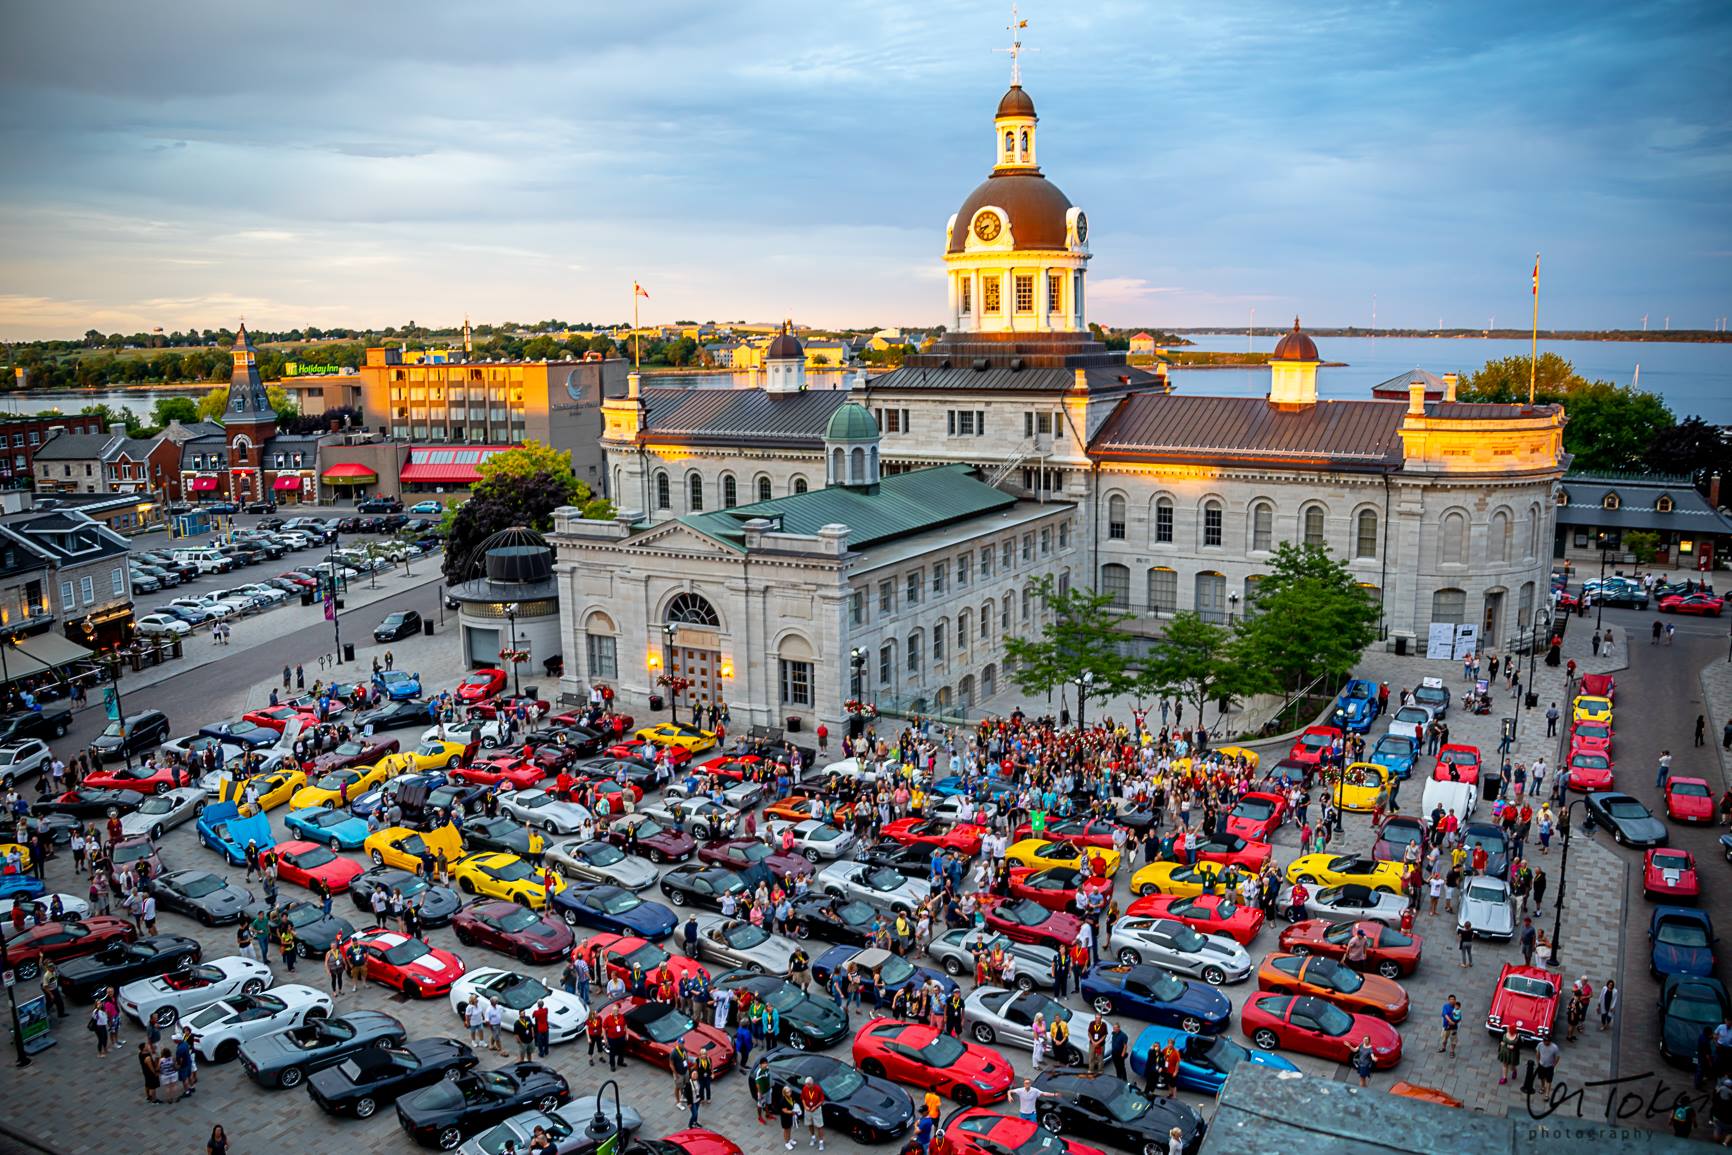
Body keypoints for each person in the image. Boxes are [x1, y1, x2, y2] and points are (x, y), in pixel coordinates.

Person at [801, 1075, 827, 1151]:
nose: (807, 1086)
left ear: (812, 1083)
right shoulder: (805, 1088)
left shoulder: (818, 1089)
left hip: (816, 1110)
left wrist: (815, 1107)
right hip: (808, 1109)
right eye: (806, 1084)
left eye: (808, 1084)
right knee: (809, 1124)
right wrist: (805, 1106)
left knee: (819, 1126)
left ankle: (821, 1142)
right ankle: (813, 1137)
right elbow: (802, 1098)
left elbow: (822, 1100)